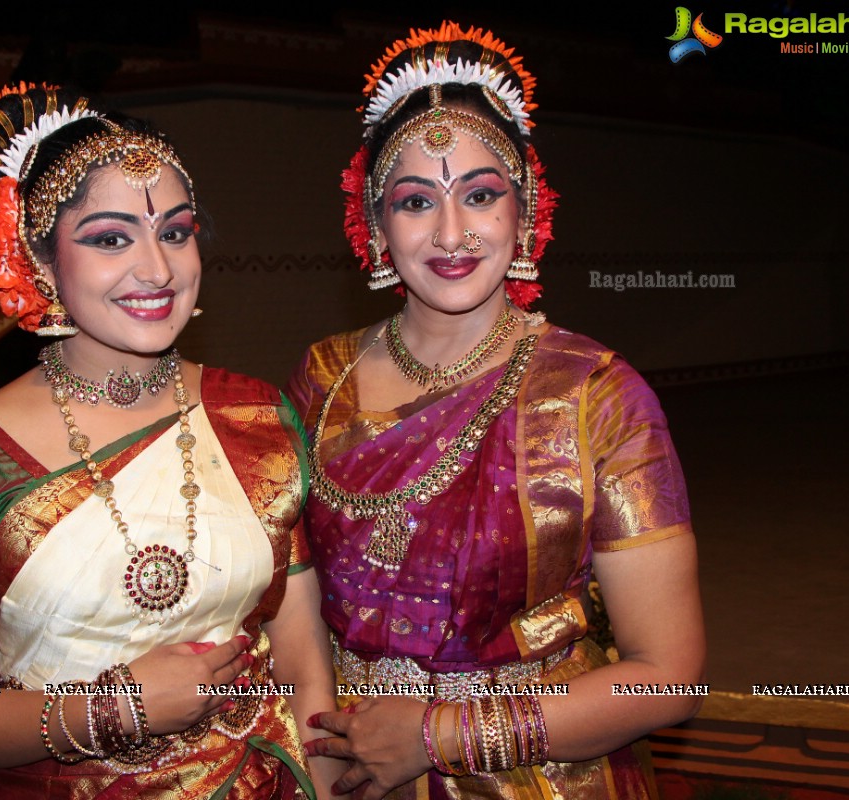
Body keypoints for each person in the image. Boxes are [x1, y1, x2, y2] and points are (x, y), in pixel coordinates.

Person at [288, 22, 705, 798]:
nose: (452, 233)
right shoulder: (323, 377)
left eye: (481, 194)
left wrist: (439, 734)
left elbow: (667, 679)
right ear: (376, 229)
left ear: (526, 210)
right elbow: (295, 605)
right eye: (416, 202)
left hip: (540, 777)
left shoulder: (597, 395)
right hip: (349, 768)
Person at [0, 84, 341, 797]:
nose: (157, 271)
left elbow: (304, 659)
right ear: (38, 262)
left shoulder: (258, 416)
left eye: (175, 231)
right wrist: (113, 707)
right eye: (109, 238)